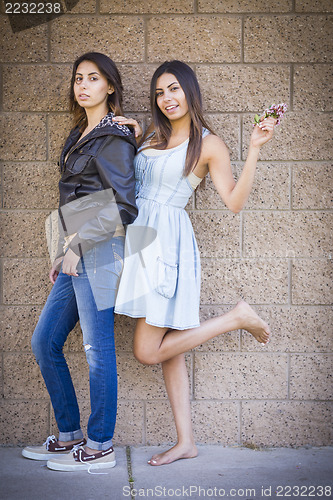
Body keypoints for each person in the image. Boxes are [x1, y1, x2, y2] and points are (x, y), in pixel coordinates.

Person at [114, 60, 276, 466]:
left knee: (148, 351)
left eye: (173, 89)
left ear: (189, 90)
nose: (167, 99)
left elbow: (234, 202)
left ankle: (235, 317)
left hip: (166, 246)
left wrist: (254, 149)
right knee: (170, 350)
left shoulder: (209, 144)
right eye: (159, 93)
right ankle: (186, 441)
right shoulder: (153, 134)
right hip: (140, 242)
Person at [22, 52, 138, 472]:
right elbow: (74, 199)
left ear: (110, 86)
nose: (83, 85)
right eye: (78, 78)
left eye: (93, 78)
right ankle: (69, 432)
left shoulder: (114, 138)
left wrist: (78, 245)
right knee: (44, 341)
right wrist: (62, 248)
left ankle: (100, 443)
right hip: (75, 254)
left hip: (100, 252)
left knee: (96, 348)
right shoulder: (79, 134)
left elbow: (124, 206)